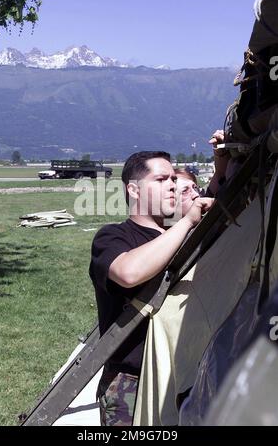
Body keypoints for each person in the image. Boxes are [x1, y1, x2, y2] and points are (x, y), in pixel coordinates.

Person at [89, 150, 214, 426]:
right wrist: (187, 223)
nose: (171, 184)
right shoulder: (114, 236)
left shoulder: (178, 233)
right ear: (133, 190)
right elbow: (128, 272)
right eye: (160, 179)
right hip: (132, 382)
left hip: (182, 375)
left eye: (172, 178)